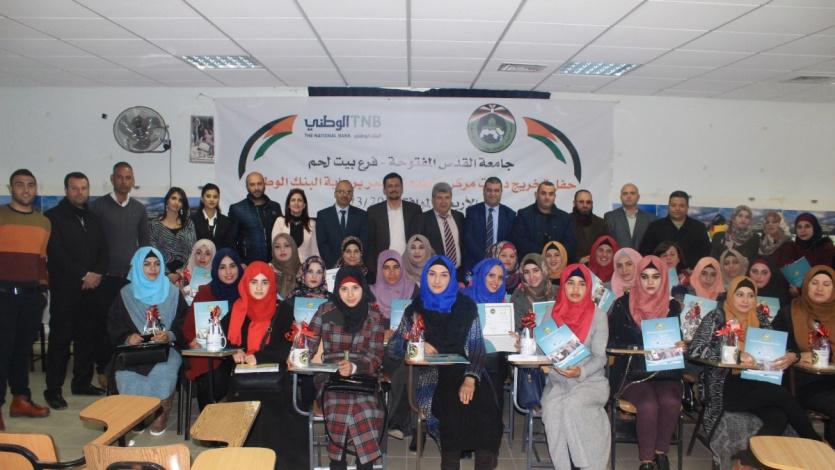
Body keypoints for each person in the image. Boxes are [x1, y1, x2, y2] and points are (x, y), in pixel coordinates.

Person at [689, 276, 820, 468]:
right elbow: (695, 349)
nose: (746, 300)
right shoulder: (717, 316)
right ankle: (817, 444)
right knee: (781, 395)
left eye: (751, 295)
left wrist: (791, 356)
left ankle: (747, 459)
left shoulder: (759, 317)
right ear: (731, 295)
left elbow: (775, 345)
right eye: (740, 294)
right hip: (725, 387)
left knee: (779, 415)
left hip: (755, 382)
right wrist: (736, 355)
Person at [385, 256, 503, 469]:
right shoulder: (415, 310)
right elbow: (394, 347)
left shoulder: (466, 307)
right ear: (425, 277)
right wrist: (416, 345)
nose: (437, 280)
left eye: (444, 275)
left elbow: (477, 346)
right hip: (429, 374)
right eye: (432, 274)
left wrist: (470, 379)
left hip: (466, 369)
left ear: (451, 278)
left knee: (488, 409)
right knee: (450, 411)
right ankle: (450, 464)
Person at [227, 261, 307, 470]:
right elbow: (225, 343)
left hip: (275, 381)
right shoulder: (238, 309)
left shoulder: (283, 310)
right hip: (244, 381)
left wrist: (259, 357)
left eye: (265, 282)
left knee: (274, 415)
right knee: (243, 414)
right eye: (254, 282)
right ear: (246, 283)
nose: (259, 287)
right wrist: (235, 351)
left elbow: (287, 348)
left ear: (272, 284)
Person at [306, 267, 387, 470]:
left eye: (355, 288)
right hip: (331, 377)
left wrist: (355, 366)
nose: (350, 294)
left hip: (364, 376)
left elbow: (376, 355)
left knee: (366, 409)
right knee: (337, 407)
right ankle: (337, 463)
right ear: (337, 290)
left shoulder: (374, 315)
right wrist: (298, 355)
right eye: (344, 289)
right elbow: (309, 342)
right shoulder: (325, 310)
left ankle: (364, 464)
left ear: (363, 289)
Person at [608, 256, 683, 470]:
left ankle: (660, 453)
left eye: (656, 277)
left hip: (665, 372)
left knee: (671, 402)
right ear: (638, 278)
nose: (650, 282)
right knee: (648, 405)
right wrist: (640, 347)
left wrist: (681, 344)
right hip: (632, 372)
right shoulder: (622, 304)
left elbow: (678, 337)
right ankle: (647, 461)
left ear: (664, 279)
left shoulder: (672, 306)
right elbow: (611, 342)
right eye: (645, 276)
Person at [44, 172, 108, 410]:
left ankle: (81, 383)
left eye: (84, 188)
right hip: (66, 290)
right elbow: (56, 253)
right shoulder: (53, 217)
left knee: (87, 339)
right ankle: (53, 390)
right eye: (75, 188)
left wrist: (97, 273)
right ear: (66, 191)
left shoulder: (94, 218)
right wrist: (84, 274)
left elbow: (104, 250)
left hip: (92, 290)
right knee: (60, 341)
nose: (80, 192)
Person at [108, 247, 187, 435]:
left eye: (157, 264)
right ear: (137, 267)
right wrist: (128, 337)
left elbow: (185, 323)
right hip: (134, 350)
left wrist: (170, 335)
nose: (153, 268)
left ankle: (161, 413)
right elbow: (114, 323)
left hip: (166, 349)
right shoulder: (126, 294)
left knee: (164, 370)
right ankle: (136, 413)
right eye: (147, 264)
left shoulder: (173, 293)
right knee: (125, 374)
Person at [540, 263, 610, 470]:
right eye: (570, 283)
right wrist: (527, 345)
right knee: (551, 410)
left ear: (588, 287)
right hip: (558, 383)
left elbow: (600, 358)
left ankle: (585, 465)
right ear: (563, 285)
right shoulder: (551, 312)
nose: (575, 289)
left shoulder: (598, 316)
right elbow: (542, 347)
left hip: (590, 381)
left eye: (581, 284)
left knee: (572, 405)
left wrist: (580, 371)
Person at [90, 162, 150, 389]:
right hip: (105, 278)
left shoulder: (139, 209)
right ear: (112, 179)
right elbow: (92, 243)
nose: (124, 181)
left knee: (129, 326)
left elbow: (145, 244)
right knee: (104, 326)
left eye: (128, 177)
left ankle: (125, 367)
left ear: (132, 181)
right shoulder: (98, 207)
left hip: (130, 279)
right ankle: (103, 369)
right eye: (120, 177)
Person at [0, 169, 51, 428]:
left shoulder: (43, 223)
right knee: (2, 352)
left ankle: (21, 399)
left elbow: (42, 261)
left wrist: (42, 290)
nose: (26, 189)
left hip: (31, 297)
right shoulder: (1, 216)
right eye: (20, 185)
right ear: (11, 188)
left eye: (30, 185)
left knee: (21, 351)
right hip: (3, 295)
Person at [772, 266, 835, 446]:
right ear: (806, 285)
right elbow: (777, 347)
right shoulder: (789, 312)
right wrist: (799, 355)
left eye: (826, 284)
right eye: (815, 283)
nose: (819, 288)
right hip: (803, 382)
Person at [182, 247, 240, 409]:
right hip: (212, 353)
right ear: (215, 270)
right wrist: (193, 340)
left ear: (239, 267)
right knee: (212, 378)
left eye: (232, 266)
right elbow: (189, 327)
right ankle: (210, 419)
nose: (228, 272)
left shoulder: (246, 291)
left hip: (239, 352)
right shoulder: (206, 292)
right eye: (222, 267)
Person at [366, 173, 422, 281]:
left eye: (397, 186)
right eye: (390, 186)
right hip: (383, 267)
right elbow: (371, 243)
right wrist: (374, 269)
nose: (393, 189)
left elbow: (419, 238)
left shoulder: (414, 210)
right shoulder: (373, 211)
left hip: (409, 266)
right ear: (384, 190)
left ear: (402, 188)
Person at [639, 191, 710, 269]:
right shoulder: (655, 227)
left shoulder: (699, 228)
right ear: (668, 206)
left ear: (687, 207)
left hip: (691, 274)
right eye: (673, 205)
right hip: (661, 273)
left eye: (681, 206)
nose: (677, 209)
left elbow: (706, 255)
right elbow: (645, 254)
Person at [511, 180, 577, 262]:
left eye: (551, 194)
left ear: (554, 196)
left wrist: (554, 254)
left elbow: (570, 243)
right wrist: (544, 252)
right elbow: (519, 241)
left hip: (557, 264)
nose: (547, 197)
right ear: (536, 195)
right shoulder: (524, 215)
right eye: (543, 193)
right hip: (531, 263)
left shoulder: (565, 218)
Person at [463, 177, 516, 274]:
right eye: (489, 190)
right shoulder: (472, 211)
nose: (492, 194)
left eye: (496, 191)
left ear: (501, 192)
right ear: (484, 191)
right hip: (476, 264)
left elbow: (510, 242)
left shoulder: (510, 214)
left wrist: (499, 259)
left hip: (501, 266)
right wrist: (486, 259)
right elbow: (468, 238)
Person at [229, 172, 283, 264]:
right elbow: (231, 241)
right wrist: (240, 262)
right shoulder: (237, 209)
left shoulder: (275, 207)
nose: (257, 188)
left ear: (264, 185)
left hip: (273, 263)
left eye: (259, 184)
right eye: (252, 185)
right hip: (248, 264)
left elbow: (281, 236)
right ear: (247, 187)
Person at [418, 182, 466, 281]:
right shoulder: (423, 219)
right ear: (433, 200)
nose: (443, 202)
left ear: (451, 199)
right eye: (439, 198)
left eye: (447, 197)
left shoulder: (459, 217)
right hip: (436, 274)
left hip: (459, 274)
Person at [316, 180, 369, 268]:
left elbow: (364, 243)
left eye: (349, 192)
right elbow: (322, 244)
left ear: (352, 195)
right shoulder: (323, 215)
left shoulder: (362, 215)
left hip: (355, 266)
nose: (345, 195)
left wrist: (353, 262)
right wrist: (334, 265)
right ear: (335, 194)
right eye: (341, 192)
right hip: (331, 266)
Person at [148, 187, 197, 283]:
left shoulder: (188, 224)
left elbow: (193, 250)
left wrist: (183, 271)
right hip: (160, 275)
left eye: (180, 200)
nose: (176, 202)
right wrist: (167, 273)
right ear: (167, 200)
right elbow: (153, 252)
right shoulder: (154, 225)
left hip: (185, 276)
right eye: (173, 198)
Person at [271, 188, 320, 262]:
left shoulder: (312, 224)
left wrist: (315, 265)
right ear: (288, 205)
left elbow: (315, 251)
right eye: (293, 200)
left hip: (305, 266)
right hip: (283, 266)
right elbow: (275, 248)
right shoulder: (280, 221)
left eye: (299, 200)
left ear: (304, 205)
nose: (296, 203)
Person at [604, 183, 656, 250]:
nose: (628, 196)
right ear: (621, 197)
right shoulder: (610, 217)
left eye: (632, 193)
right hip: (619, 256)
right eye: (625, 193)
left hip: (643, 256)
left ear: (638, 197)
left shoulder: (650, 218)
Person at [370, 249, 417, 323]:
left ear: (402, 267)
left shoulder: (412, 289)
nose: (391, 272)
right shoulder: (371, 293)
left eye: (396, 267)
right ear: (380, 269)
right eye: (386, 267)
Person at [510, 253, 556, 323]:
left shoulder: (557, 292)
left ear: (544, 270)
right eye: (526, 272)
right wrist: (527, 324)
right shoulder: (518, 296)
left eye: (535, 270)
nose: (531, 276)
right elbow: (516, 325)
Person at [191, 183, 235, 250]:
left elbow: (230, 247)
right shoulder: (192, 220)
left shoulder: (226, 221)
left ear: (218, 199)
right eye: (208, 196)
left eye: (215, 197)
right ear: (202, 198)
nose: (212, 200)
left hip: (220, 256)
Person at [570, 190, 607, 262]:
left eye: (588, 202)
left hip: (596, 265)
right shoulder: (566, 222)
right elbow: (562, 248)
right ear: (574, 203)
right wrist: (578, 260)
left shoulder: (601, 223)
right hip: (572, 265)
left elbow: (606, 247)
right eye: (581, 202)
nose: (585, 205)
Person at [180, 239, 216, 305]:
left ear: (213, 256)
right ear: (194, 254)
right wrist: (180, 293)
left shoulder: (218, 276)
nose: (202, 257)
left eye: (207, 254)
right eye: (199, 253)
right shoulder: (183, 275)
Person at [270, 233, 301, 300]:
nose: (282, 249)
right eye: (277, 247)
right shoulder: (267, 272)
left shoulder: (304, 272)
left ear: (293, 248)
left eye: (287, 245)